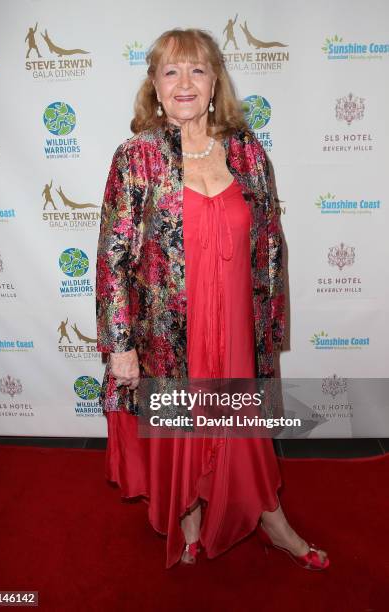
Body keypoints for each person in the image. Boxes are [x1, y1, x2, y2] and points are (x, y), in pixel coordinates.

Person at [96, 27, 330, 570]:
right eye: (171, 71)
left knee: (240, 428)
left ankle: (270, 516)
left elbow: (271, 245)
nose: (184, 82)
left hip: (237, 330)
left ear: (213, 82)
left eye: (197, 70)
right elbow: (113, 258)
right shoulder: (138, 158)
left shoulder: (247, 152)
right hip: (170, 331)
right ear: (154, 86)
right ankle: (188, 515)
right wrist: (119, 344)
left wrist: (269, 331)